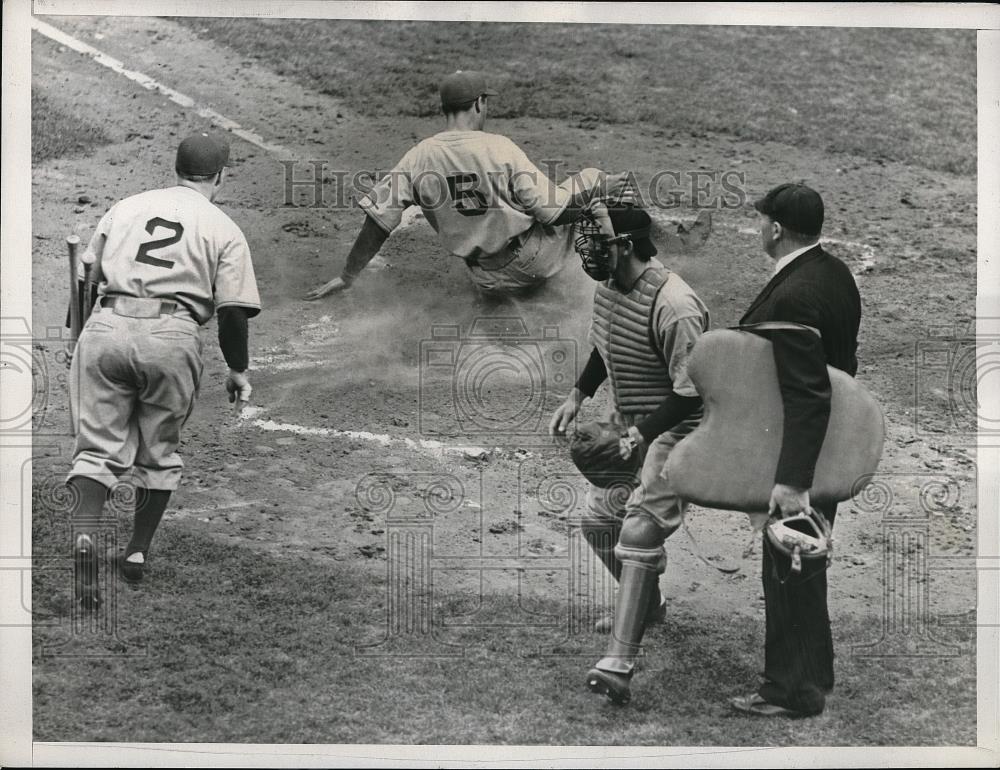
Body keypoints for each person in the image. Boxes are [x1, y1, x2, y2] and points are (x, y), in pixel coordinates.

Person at [68, 132, 261, 609]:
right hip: (171, 336)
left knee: (95, 450)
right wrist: (238, 370)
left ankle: (86, 538)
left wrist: (79, 337)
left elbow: (84, 279)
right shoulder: (223, 226)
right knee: (158, 453)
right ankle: (136, 553)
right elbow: (233, 311)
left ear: (174, 168)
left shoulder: (125, 207)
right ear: (220, 176)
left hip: (105, 325)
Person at [547, 201, 710, 704]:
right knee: (600, 524)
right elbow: (606, 344)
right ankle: (650, 603)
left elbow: (694, 391)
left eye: (599, 241)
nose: (589, 250)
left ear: (627, 245)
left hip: (679, 432)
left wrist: (643, 436)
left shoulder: (676, 306)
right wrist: (578, 393)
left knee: (637, 530)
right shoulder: (612, 289)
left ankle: (619, 661)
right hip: (635, 424)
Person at [304, 70, 632, 301]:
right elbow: (554, 214)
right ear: (478, 104)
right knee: (590, 179)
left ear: (445, 109)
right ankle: (636, 258)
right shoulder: (499, 147)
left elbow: (377, 223)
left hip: (487, 282)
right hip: (534, 265)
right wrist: (597, 193)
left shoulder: (418, 157)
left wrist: (348, 276)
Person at [729, 183, 861, 717]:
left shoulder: (794, 295)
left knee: (787, 566)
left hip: (802, 451)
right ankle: (815, 673)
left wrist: (792, 480)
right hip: (830, 441)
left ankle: (790, 691)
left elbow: (807, 393)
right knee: (808, 564)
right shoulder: (834, 272)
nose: (759, 228)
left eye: (762, 221)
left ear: (777, 228)